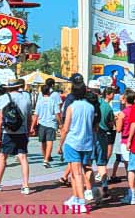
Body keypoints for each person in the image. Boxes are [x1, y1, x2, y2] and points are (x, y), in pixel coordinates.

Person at [0, 79, 32, 194]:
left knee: (3, 157)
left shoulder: (4, 98)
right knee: (23, 157)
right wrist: (27, 131)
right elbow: (29, 117)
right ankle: (25, 185)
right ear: (19, 87)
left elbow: (1, 118)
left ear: (8, 88)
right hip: (22, 131)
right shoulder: (26, 99)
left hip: (8, 132)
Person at [57, 80, 93, 213]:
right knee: (74, 172)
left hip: (73, 142)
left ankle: (82, 202)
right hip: (87, 143)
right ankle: (75, 197)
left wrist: (60, 144)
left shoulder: (71, 107)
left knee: (77, 173)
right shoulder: (90, 107)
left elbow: (65, 128)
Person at [57, 73, 84, 187]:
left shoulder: (70, 98)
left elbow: (64, 115)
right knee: (79, 159)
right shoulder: (87, 97)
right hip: (84, 130)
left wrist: (62, 126)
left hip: (72, 129)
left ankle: (68, 179)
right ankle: (67, 177)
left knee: (74, 157)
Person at [30, 85, 61, 168]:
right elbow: (57, 113)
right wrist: (60, 123)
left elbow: (36, 115)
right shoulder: (52, 101)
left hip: (41, 123)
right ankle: (46, 159)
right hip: (51, 123)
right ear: (49, 92)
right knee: (50, 141)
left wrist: (32, 127)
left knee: (43, 142)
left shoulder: (39, 101)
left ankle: (45, 157)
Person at [96, 86, 115, 197]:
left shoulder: (91, 104)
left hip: (91, 136)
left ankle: (91, 188)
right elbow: (111, 123)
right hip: (103, 134)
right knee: (102, 162)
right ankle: (104, 183)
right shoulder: (108, 107)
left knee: (87, 164)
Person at [116, 89, 135, 174]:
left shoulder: (123, 113)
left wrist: (116, 120)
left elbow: (118, 129)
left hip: (125, 139)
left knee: (128, 163)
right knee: (134, 162)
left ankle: (131, 183)